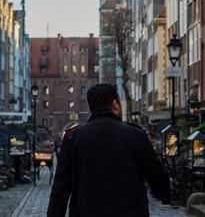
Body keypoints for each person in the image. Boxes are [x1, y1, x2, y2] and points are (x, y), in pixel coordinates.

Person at [47, 84, 171, 217]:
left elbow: (60, 189)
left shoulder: (73, 137)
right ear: (115, 104)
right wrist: (164, 195)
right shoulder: (136, 135)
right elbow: (156, 174)